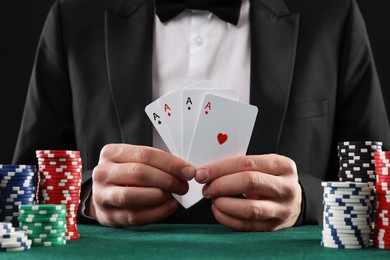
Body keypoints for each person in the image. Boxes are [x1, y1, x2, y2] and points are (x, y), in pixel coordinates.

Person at [12, 0, 390, 231]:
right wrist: (89, 200)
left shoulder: (333, 15)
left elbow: (381, 193)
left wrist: (306, 200)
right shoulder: (74, 17)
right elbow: (24, 195)